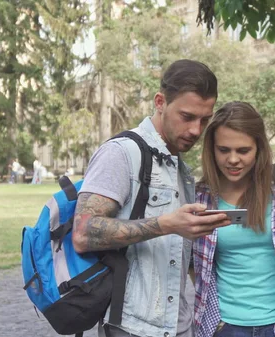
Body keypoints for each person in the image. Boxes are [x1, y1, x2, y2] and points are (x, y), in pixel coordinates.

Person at [71, 59, 232, 337]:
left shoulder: (179, 166)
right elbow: (83, 232)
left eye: (204, 119)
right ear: (160, 102)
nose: (196, 130)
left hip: (178, 326)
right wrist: (167, 224)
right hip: (131, 327)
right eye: (187, 116)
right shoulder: (121, 152)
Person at [192, 101, 275, 337]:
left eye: (243, 150)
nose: (233, 159)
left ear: (259, 149)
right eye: (224, 150)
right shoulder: (198, 197)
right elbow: (191, 265)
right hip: (226, 327)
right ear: (211, 149)